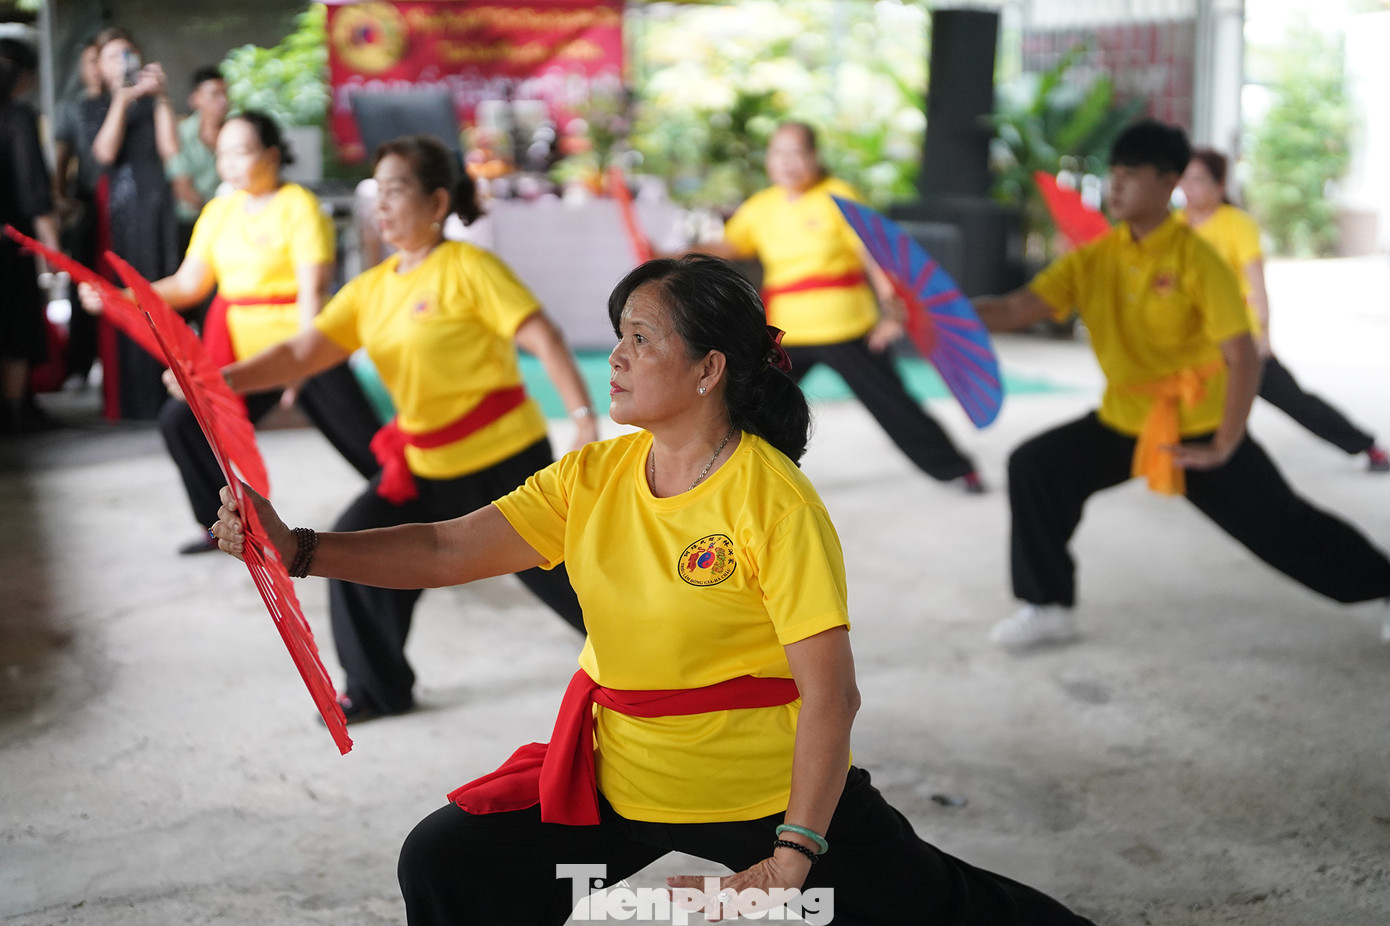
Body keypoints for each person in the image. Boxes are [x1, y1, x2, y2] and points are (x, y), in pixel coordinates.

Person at [211, 254, 1094, 926]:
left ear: (710, 369)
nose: (618, 356)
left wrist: (793, 857)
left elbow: (833, 695)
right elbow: (447, 548)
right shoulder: (592, 474)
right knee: (447, 862)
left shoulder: (771, 497)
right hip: (619, 785)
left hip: (761, 798)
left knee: (939, 909)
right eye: (620, 334)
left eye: (642, 338)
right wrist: (299, 549)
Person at [210, 134, 597, 721]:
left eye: (396, 190)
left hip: (506, 462)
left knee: (571, 583)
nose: (382, 206)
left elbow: (542, 336)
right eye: (377, 192)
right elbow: (302, 352)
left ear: (438, 203)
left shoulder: (470, 267)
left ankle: (657, 660)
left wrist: (584, 420)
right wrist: (222, 379)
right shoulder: (370, 290)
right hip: (422, 464)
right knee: (352, 550)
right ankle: (376, 689)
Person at [974, 120, 1390, 649]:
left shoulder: (1198, 258)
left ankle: (1384, 582)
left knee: (1286, 529)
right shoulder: (1095, 258)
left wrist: (1225, 441)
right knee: (1037, 465)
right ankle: (1049, 605)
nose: (1116, 186)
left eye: (1131, 175)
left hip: (1196, 425)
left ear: (1168, 181)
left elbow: (1241, 355)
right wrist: (941, 310)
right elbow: (1016, 307)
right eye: (1113, 174)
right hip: (1124, 418)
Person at [79, 111, 382, 555]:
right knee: (181, 423)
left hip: (304, 349)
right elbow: (187, 285)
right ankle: (225, 530)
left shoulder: (297, 205)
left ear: (272, 155)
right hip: (241, 360)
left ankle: (417, 516)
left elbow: (312, 290)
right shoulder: (219, 212)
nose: (230, 163)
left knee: (367, 448)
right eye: (222, 154)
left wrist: (301, 366)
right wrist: (121, 297)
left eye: (241, 151)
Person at [686, 121, 984, 493]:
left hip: (846, 327)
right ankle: (730, 477)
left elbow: (875, 254)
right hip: (785, 333)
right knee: (747, 403)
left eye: (797, 152)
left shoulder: (839, 196)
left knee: (895, 405)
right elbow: (730, 247)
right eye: (779, 152)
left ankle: (958, 469)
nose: (787, 161)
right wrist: (673, 253)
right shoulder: (761, 207)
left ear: (814, 157)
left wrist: (894, 311)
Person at [1176, 148, 1389, 473]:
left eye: (1199, 179)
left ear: (1220, 185)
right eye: (1185, 179)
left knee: (1295, 401)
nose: (1189, 187)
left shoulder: (1237, 225)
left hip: (1237, 339)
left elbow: (1256, 284)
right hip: (1193, 342)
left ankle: (1367, 446)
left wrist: (1262, 335)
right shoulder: (1174, 226)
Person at [78, 26, 181, 420]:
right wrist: (122, 99)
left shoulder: (153, 102)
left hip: (157, 204)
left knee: (161, 293)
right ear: (99, 67)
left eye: (127, 54)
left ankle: (168, 395)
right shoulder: (93, 105)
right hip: (121, 208)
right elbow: (105, 153)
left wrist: (163, 98)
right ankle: (131, 399)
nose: (121, 62)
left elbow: (171, 149)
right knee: (125, 295)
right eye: (111, 57)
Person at [0, 36, 61, 435]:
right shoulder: (17, 117)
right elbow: (33, 192)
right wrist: (53, 250)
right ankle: (12, 414)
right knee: (15, 331)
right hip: (9, 244)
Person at [52, 36, 104, 388]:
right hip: (88, 203)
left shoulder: (128, 101)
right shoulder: (72, 108)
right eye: (90, 61)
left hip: (129, 205)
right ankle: (80, 366)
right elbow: (61, 159)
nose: (96, 68)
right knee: (84, 284)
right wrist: (59, 198)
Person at [166, 65, 229, 249]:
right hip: (191, 223)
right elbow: (182, 188)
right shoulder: (180, 134)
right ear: (196, 99)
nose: (223, 101)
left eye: (225, 93)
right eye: (214, 94)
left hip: (230, 222)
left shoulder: (237, 132)